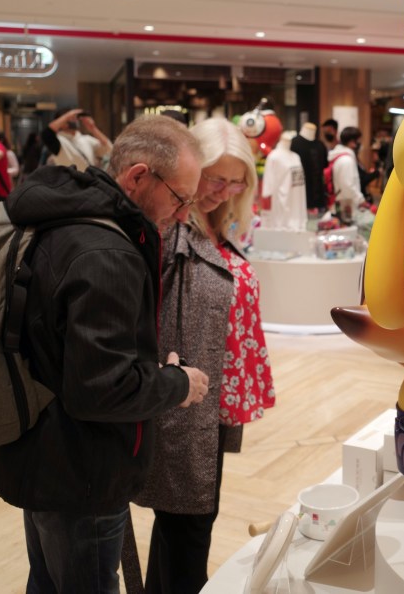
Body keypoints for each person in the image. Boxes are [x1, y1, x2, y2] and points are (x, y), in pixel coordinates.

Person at [0, 115, 212, 594]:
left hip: (44, 452)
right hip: (80, 473)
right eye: (180, 198)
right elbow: (100, 390)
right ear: (138, 176)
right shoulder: (106, 253)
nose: (182, 215)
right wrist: (179, 384)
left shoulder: (65, 223)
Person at [136, 117, 274, 593]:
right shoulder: (171, 228)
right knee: (188, 523)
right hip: (182, 400)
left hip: (209, 396)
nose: (223, 191)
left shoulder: (215, 226)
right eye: (216, 178)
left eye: (236, 182)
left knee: (185, 523)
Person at [42, 108, 113, 170]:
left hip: (89, 179)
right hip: (70, 180)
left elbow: (109, 149)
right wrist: (68, 115)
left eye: (75, 118)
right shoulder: (59, 141)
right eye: (71, 118)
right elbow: (47, 134)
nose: (75, 120)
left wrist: (93, 128)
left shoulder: (86, 139)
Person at [290, 121, 329, 213]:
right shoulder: (293, 144)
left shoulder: (320, 145)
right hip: (299, 196)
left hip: (319, 198)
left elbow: (324, 166)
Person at [328, 125, 364, 223]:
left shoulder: (341, 157)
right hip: (346, 206)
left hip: (341, 203)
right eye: (358, 140)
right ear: (352, 142)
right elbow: (347, 185)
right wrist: (361, 200)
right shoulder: (346, 160)